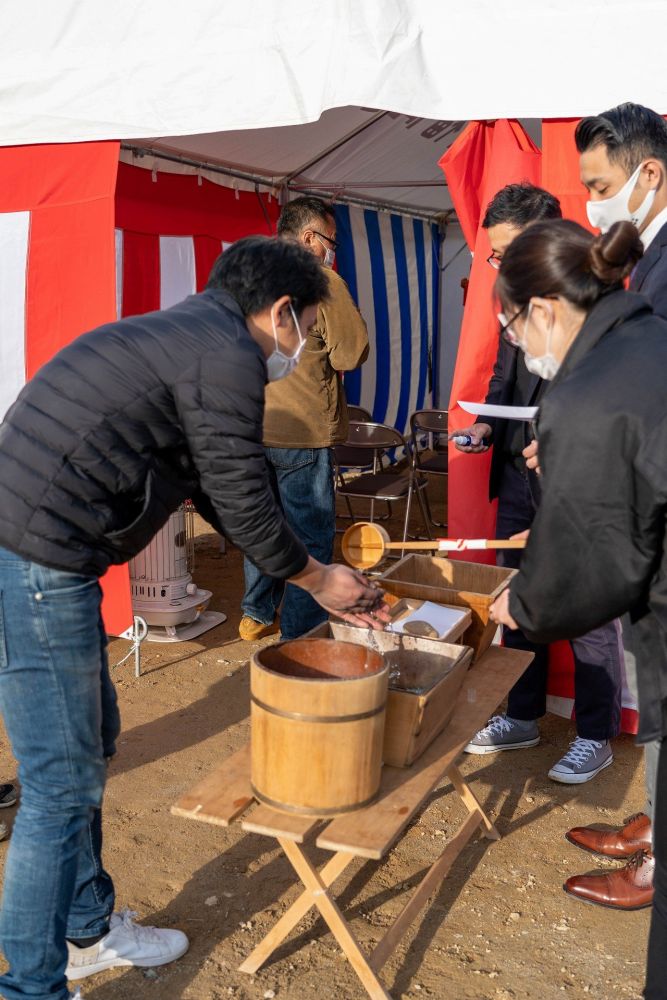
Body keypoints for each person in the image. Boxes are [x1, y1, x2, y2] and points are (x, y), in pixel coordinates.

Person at [0, 235, 387, 1000]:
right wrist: (315, 576)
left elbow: (217, 487)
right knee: (59, 785)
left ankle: (89, 931)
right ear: (280, 312)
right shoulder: (224, 356)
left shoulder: (188, 335)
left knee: (88, 752)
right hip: (37, 559)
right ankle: (32, 987)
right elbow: (240, 495)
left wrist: (300, 565)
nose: (302, 343)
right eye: (306, 326)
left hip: (44, 552)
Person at [485, 218, 667, 997]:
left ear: (543, 311)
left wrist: (519, 601)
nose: (516, 340)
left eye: (510, 321)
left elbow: (593, 563)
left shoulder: (584, 395)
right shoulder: (647, 338)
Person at [450, 183, 624, 784]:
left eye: (505, 252)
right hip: (517, 479)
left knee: (589, 609)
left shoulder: (598, 295)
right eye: (494, 257)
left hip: (578, 481)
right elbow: (504, 381)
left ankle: (595, 733)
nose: (498, 266)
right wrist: (483, 429)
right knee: (516, 598)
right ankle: (521, 716)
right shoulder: (513, 298)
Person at [558, 101, 667, 908]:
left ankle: (653, 871)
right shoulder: (646, 257)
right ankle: (655, 823)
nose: (593, 201)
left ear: (647, 175)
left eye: (600, 184)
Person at [239, 196, 369, 641]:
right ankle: (299, 633)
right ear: (311, 238)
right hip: (301, 428)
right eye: (330, 240)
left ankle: (256, 612)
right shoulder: (322, 280)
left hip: (252, 424)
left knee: (263, 525)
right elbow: (350, 354)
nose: (333, 250)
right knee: (310, 538)